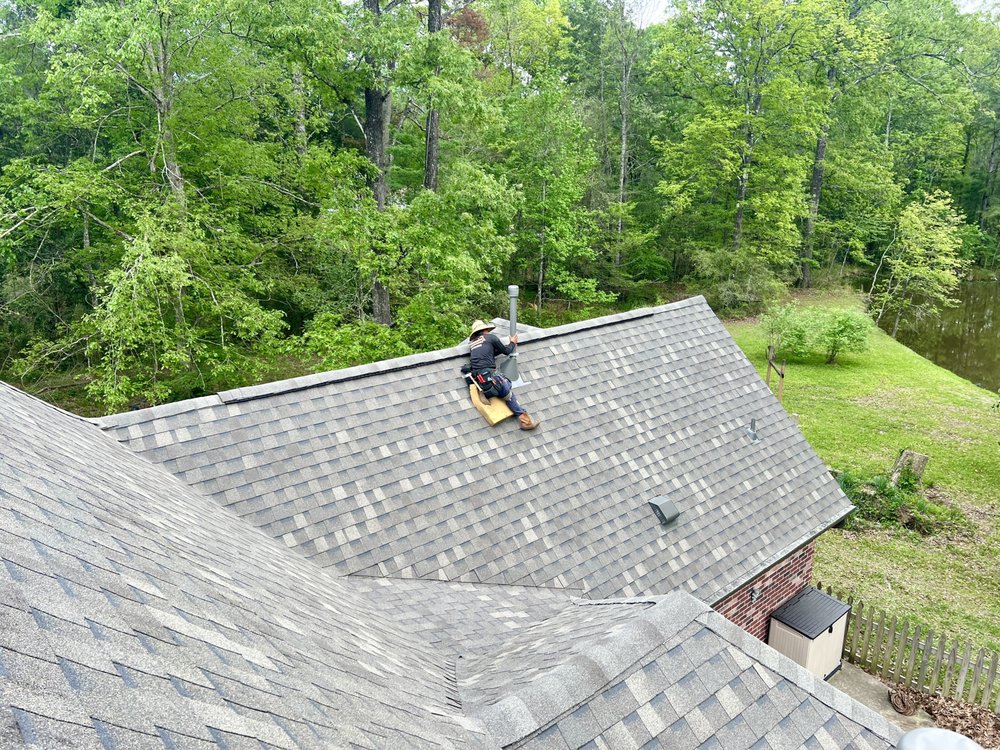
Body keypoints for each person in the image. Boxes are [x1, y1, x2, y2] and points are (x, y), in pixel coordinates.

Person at [468, 320, 540, 430]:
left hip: (480, 381)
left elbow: (489, 353)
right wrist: (512, 342)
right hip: (491, 378)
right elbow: (506, 351)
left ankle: (484, 392)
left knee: (502, 384)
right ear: (486, 330)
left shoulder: (473, 344)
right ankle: (526, 422)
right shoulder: (491, 337)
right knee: (508, 392)